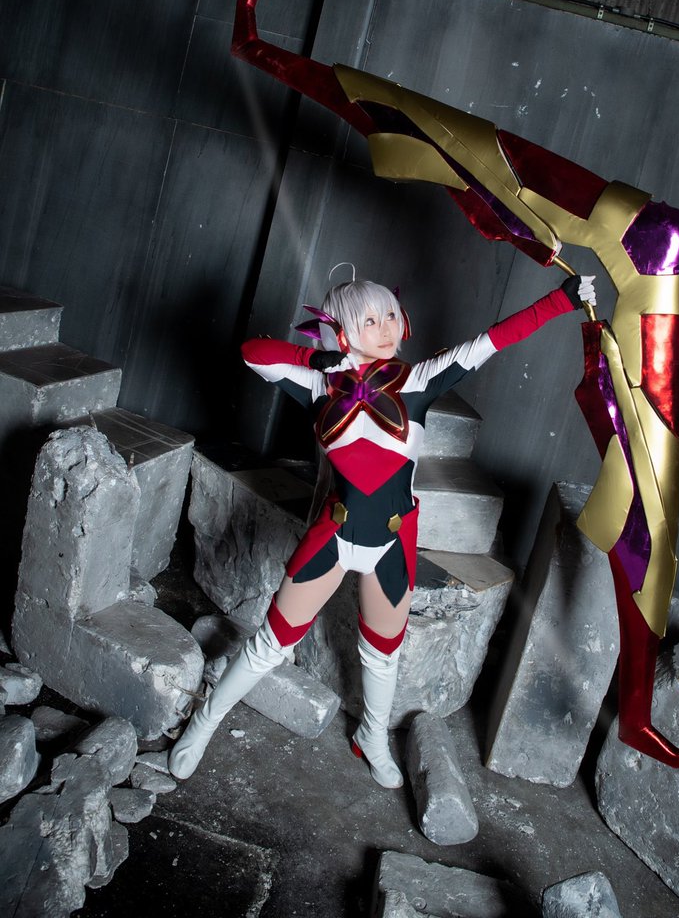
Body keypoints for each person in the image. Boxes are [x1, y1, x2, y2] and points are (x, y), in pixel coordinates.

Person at [168, 270, 597, 783]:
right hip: (333, 536)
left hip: (391, 542)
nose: (386, 327)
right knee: (270, 644)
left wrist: (561, 300)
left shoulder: (418, 380)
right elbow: (252, 352)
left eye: (390, 314)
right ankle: (205, 722)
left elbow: (492, 340)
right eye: (369, 320)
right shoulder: (318, 383)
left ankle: (371, 736)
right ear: (342, 331)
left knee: (382, 655)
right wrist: (311, 358)